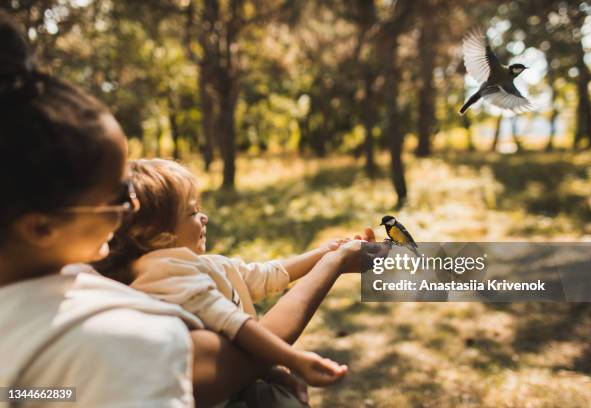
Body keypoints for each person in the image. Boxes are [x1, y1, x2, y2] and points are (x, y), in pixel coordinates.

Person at [0, 12, 375, 408]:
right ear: (40, 227)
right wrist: (334, 265)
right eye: (118, 195)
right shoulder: (112, 342)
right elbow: (224, 366)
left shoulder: (56, 291)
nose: (131, 207)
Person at [95, 159, 357, 404]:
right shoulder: (164, 270)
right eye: (192, 212)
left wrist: (325, 252)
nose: (204, 217)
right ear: (160, 237)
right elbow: (232, 322)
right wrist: (293, 359)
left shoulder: (205, 265)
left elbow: (267, 275)